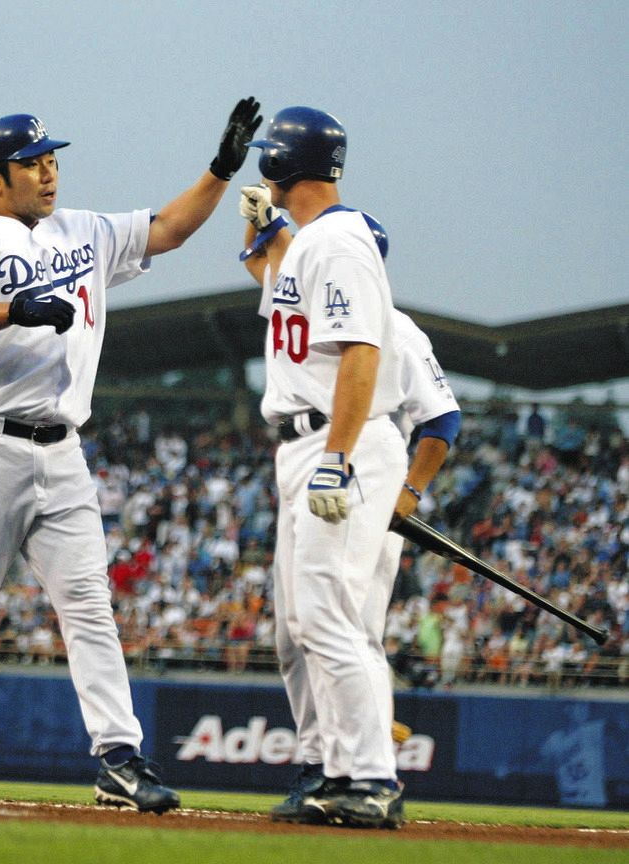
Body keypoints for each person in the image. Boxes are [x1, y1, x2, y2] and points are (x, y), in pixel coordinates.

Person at [0, 98, 264, 812]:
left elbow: (170, 229)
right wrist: (13, 309)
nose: (49, 172)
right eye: (33, 163)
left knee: (89, 606)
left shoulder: (83, 231)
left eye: (53, 159)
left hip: (62, 451)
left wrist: (220, 168)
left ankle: (119, 757)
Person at [237, 106, 411, 829]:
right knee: (305, 623)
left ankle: (370, 778)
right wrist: (257, 229)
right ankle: (338, 773)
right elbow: (272, 282)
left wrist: (338, 459)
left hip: (339, 441)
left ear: (283, 164)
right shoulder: (311, 243)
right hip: (305, 443)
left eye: (265, 159)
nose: (259, 170)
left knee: (331, 618)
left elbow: (360, 356)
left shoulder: (339, 242)